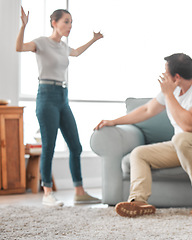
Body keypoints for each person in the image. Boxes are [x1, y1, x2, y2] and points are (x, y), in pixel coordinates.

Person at [95, 53, 192, 217]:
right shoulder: (174, 89)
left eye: (165, 72)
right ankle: (138, 202)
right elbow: (147, 110)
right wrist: (114, 122)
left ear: (177, 77)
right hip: (183, 145)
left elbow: (189, 125)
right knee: (139, 153)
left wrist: (168, 95)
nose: (163, 76)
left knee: (181, 138)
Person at [16, 7, 103, 207]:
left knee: (76, 146)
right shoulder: (41, 43)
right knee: (49, 146)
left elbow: (77, 52)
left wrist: (93, 39)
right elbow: (19, 47)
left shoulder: (64, 47)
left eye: (71, 22)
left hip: (63, 97)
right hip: (46, 96)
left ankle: (79, 192)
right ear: (54, 22)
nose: (70, 26)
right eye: (66, 21)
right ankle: (47, 192)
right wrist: (23, 26)